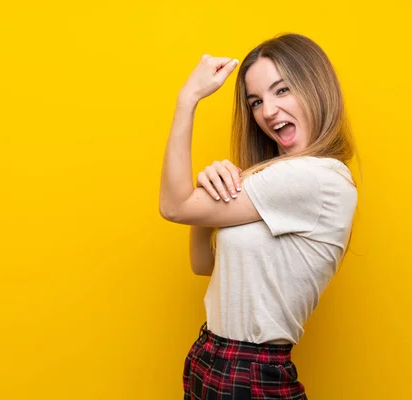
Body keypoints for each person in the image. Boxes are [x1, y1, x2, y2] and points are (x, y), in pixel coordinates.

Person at [159, 33, 358, 400]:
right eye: (256, 101)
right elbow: (203, 264)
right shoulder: (274, 179)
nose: (267, 111)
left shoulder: (320, 178)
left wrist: (187, 99)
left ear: (316, 87)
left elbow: (173, 207)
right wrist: (211, 199)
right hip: (211, 357)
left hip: (248, 372)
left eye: (282, 90)